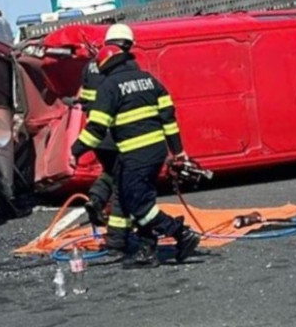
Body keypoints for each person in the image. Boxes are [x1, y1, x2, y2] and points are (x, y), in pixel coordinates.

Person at [69, 43, 201, 268]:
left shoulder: (109, 86)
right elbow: (168, 118)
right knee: (143, 199)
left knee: (137, 205)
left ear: (105, 68)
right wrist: (178, 151)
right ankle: (147, 252)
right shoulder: (149, 80)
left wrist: (75, 151)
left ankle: (180, 233)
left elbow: (97, 129)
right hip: (156, 152)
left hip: (134, 154)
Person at [71, 24, 136, 256]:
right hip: (118, 133)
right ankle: (118, 239)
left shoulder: (90, 66)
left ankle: (96, 200)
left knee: (110, 171)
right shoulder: (126, 64)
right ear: (126, 44)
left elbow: (87, 100)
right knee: (122, 187)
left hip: (97, 134)